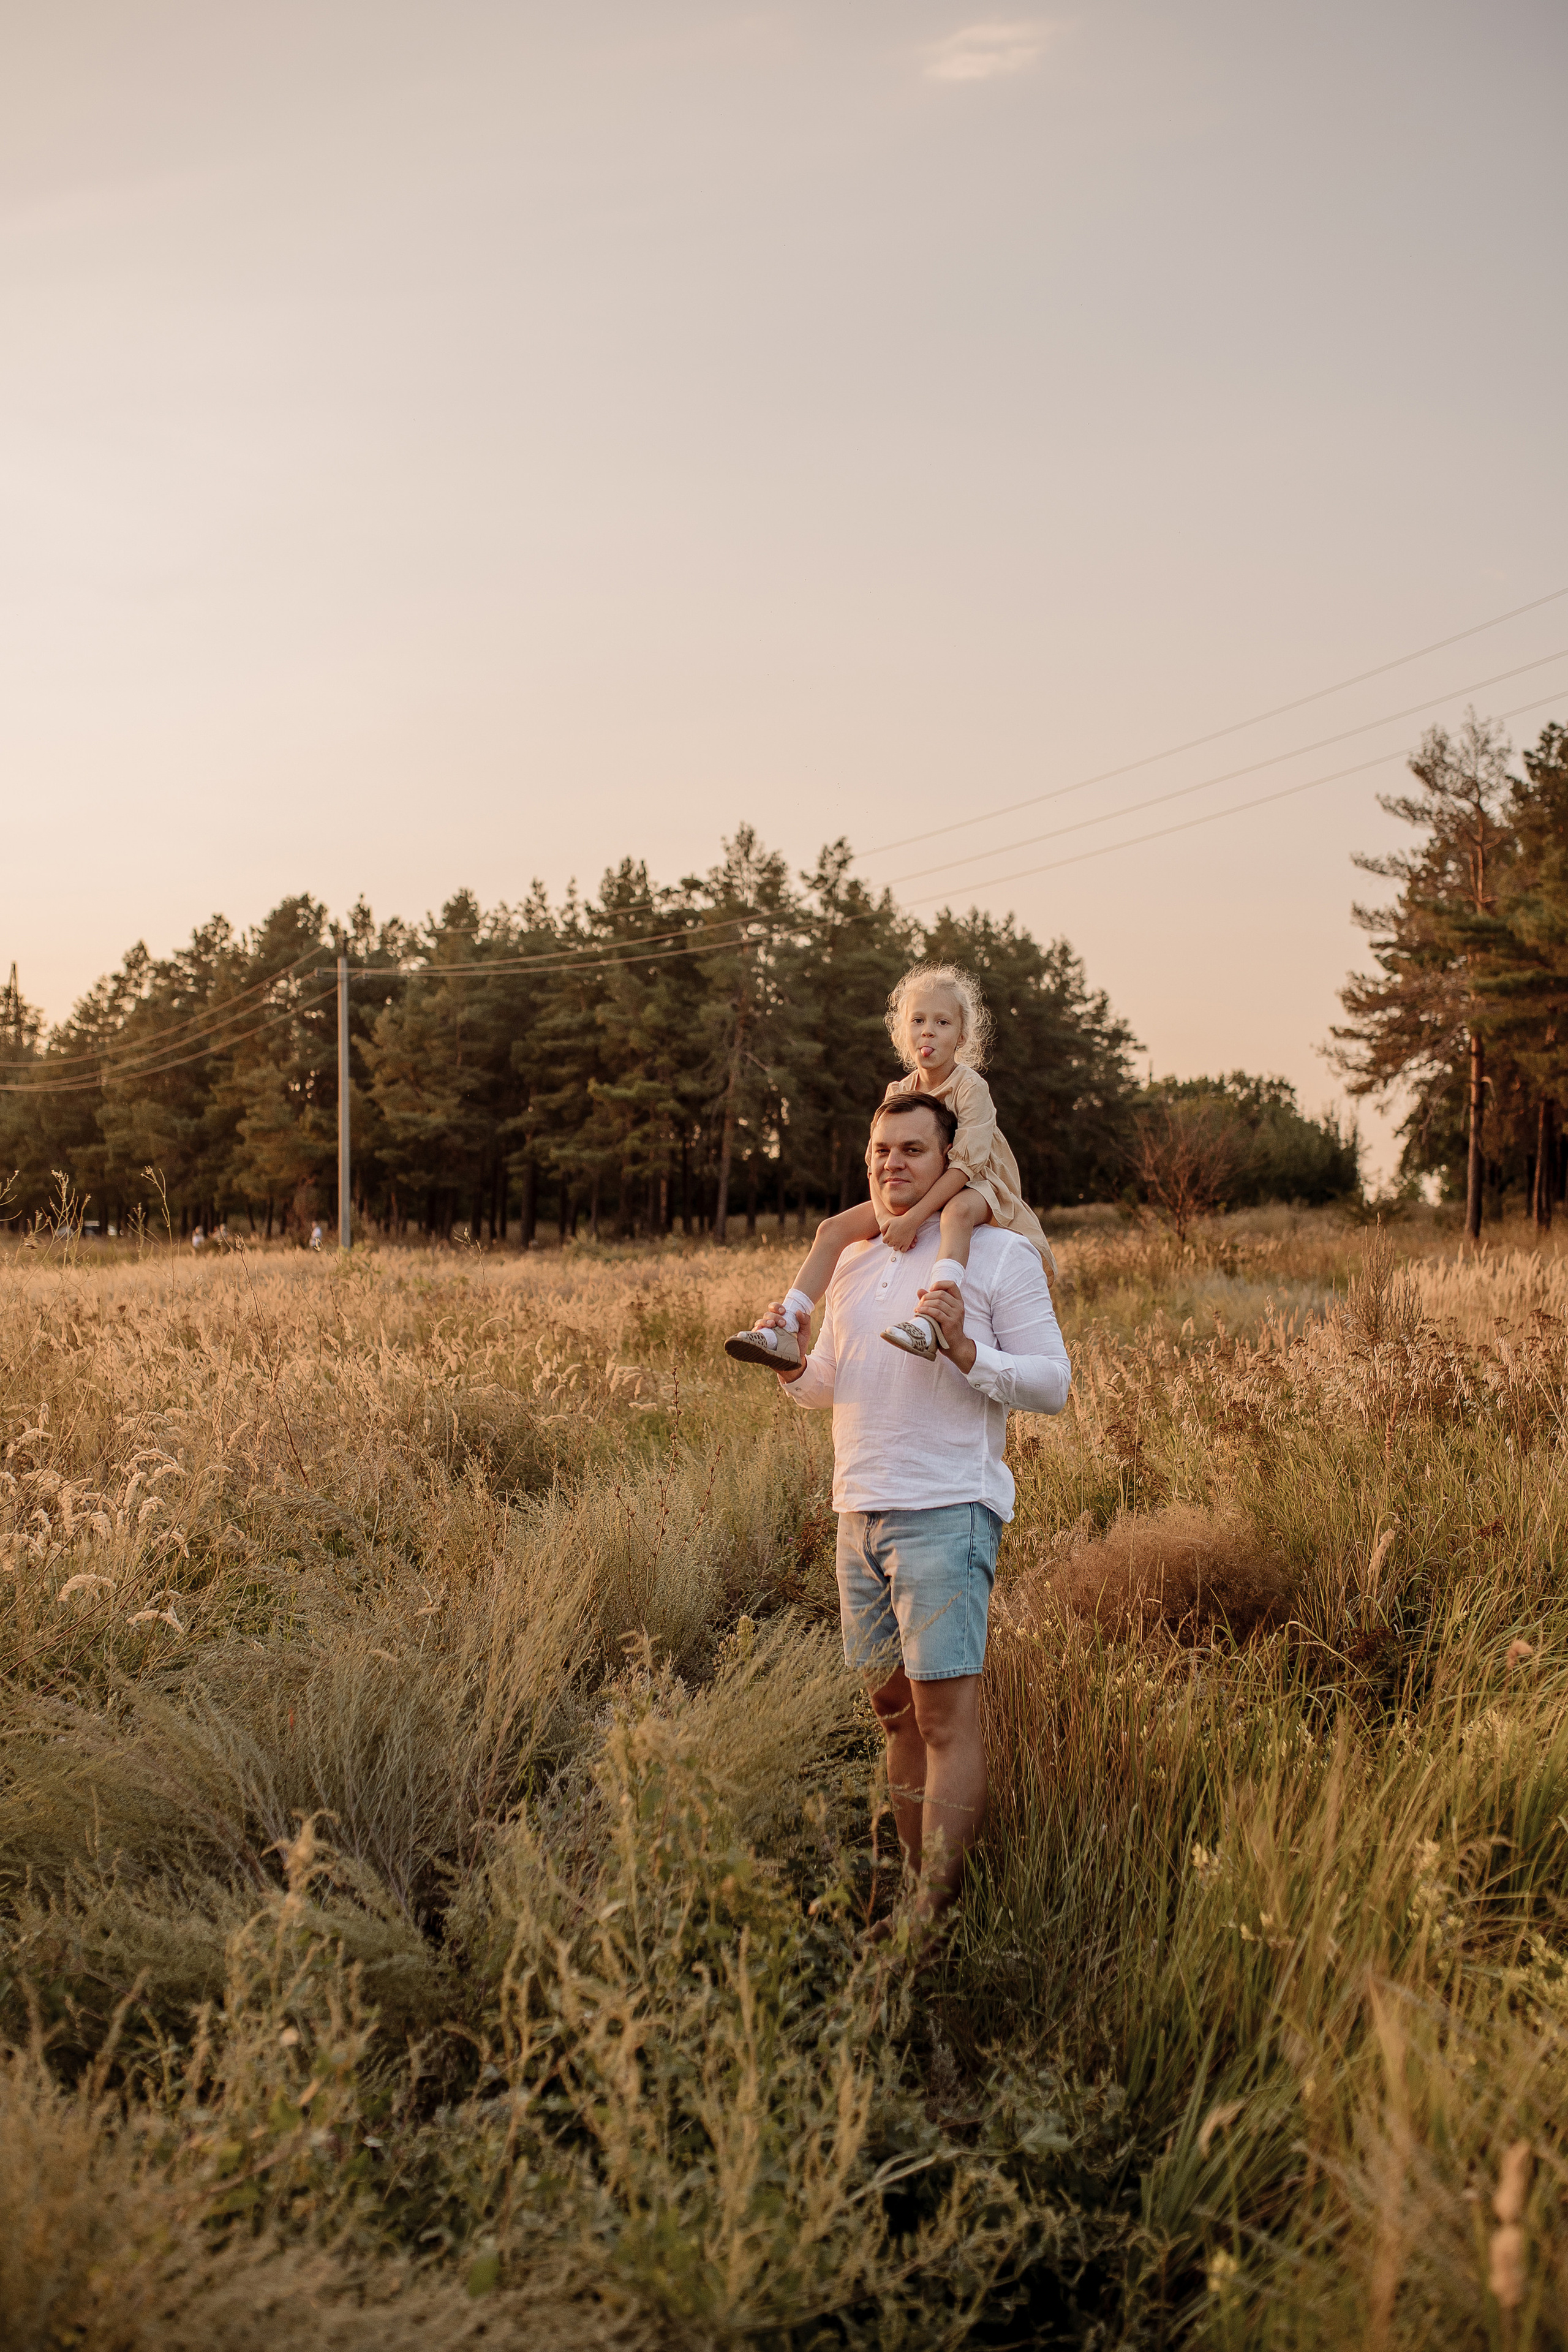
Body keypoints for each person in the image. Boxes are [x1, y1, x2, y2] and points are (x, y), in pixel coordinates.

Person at [761, 1089, 1071, 1928]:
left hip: (947, 1511)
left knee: (943, 1719)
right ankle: (911, 1886)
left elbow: (1054, 1382)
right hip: (857, 1514)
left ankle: (932, 1916)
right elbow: (832, 1383)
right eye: (880, 1151)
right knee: (893, 1711)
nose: (892, 1164)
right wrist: (791, 1364)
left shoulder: (996, 1255)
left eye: (911, 1151)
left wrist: (968, 1349)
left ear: (947, 1163)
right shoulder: (857, 1259)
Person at [726, 962, 1053, 1370]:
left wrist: (913, 1218)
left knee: (956, 1213)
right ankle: (788, 1325)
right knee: (831, 1229)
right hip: (915, 1191)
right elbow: (876, 1163)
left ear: (962, 1036)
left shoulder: (972, 1089)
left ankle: (932, 1319)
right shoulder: (899, 1091)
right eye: (917, 1020)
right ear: (903, 1034)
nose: (928, 1031)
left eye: (942, 1022)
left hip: (977, 1184)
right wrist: (886, 1217)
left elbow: (965, 1167)